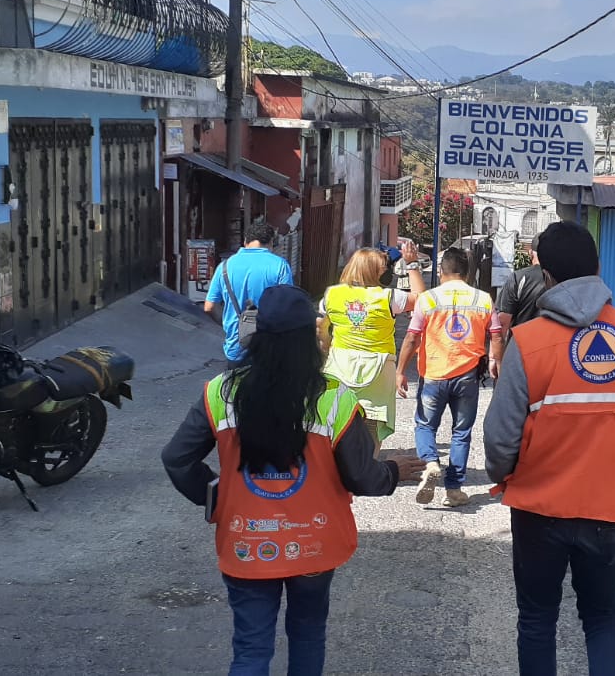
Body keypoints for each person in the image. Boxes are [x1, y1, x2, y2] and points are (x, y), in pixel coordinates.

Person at [162, 285, 426, 675]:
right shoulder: (334, 399)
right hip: (314, 543)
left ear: (256, 335)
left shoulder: (220, 393)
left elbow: (176, 458)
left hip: (247, 541)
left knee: (251, 650)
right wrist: (392, 470)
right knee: (306, 635)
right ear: (310, 338)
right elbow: (362, 476)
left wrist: (216, 496)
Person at [483, 221, 615, 676]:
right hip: (611, 512)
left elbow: (500, 437)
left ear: (547, 277)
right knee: (603, 619)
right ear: (598, 267)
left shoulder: (529, 342)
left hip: (538, 510)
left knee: (537, 619)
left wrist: (503, 475)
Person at [395, 247, 502, 508]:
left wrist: (400, 371)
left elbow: (412, 336)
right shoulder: (484, 299)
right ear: (468, 272)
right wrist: (494, 360)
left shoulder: (428, 299)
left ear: (441, 271)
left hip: (433, 375)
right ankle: (454, 490)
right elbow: (497, 334)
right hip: (467, 376)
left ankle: (431, 462)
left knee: (425, 426)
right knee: (461, 432)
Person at [318, 243, 425, 451]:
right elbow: (421, 300)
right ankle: (370, 468)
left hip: (340, 366)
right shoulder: (388, 297)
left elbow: (322, 328)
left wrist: (327, 349)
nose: (387, 271)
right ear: (375, 271)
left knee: (337, 423)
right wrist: (412, 264)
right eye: (384, 267)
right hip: (378, 368)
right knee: (372, 427)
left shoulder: (332, 295)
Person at [206, 223, 295, 367]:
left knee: (236, 389)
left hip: (236, 347)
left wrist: (229, 325)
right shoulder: (280, 266)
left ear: (245, 241)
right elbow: (287, 307)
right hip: (270, 348)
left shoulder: (224, 267)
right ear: (271, 242)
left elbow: (209, 307)